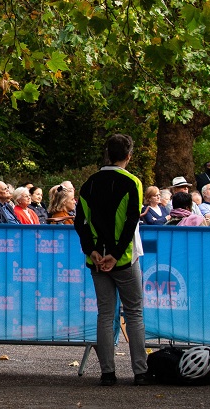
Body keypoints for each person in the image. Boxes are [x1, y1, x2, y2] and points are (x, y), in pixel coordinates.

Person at [74, 134, 150, 386]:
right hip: (124, 258)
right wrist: (115, 254)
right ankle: (140, 372)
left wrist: (93, 250)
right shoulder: (133, 182)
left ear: (107, 153)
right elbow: (131, 221)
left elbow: (80, 223)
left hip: (95, 259)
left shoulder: (89, 183)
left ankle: (108, 373)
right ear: (128, 155)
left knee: (105, 314)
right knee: (134, 313)